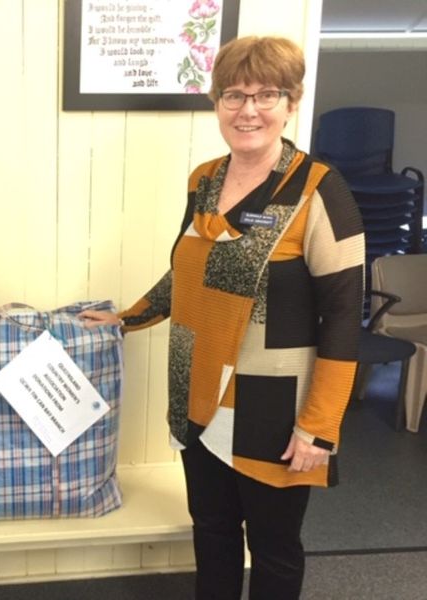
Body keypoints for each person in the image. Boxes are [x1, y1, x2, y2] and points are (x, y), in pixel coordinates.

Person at [81, 36, 364, 599]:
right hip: (198, 393)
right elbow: (189, 272)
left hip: (275, 407)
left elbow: (342, 316)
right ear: (217, 103)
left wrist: (320, 426)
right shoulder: (205, 180)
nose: (248, 110)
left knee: (274, 547)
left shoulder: (318, 189)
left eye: (266, 95)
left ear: (292, 102)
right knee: (211, 531)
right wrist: (128, 318)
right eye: (233, 95)